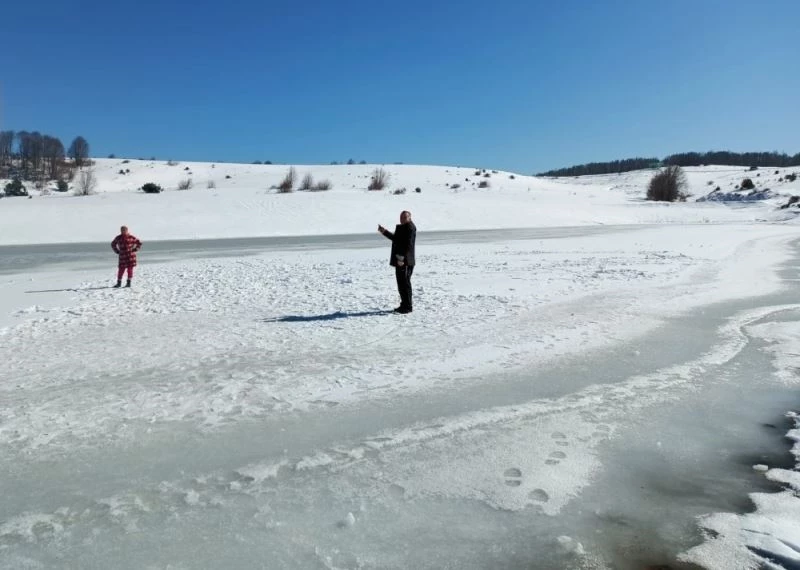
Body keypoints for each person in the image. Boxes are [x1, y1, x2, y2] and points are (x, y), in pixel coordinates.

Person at [378, 210, 416, 313]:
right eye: (401, 217)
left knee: (405, 284)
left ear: (409, 218)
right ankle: (404, 305)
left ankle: (408, 306)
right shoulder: (404, 227)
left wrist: (402, 258)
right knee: (401, 284)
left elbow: (409, 245)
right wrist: (384, 231)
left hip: (405, 261)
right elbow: (396, 239)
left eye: (404, 217)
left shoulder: (410, 228)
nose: (402, 219)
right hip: (401, 260)